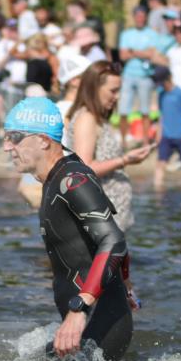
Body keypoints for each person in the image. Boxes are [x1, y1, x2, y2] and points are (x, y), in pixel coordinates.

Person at [1, 97, 137, 361]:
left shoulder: (73, 180)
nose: (6, 147)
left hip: (98, 319)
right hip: (92, 317)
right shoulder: (54, 178)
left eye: (14, 138)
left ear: (42, 140)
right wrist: (125, 283)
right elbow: (109, 237)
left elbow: (113, 240)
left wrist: (79, 310)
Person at [69, 62, 154, 234]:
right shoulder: (87, 118)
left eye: (119, 90)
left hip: (110, 219)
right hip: (101, 218)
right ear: (94, 88)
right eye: (113, 90)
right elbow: (84, 170)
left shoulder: (97, 117)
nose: (117, 96)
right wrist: (125, 160)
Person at [118, 6, 160, 143]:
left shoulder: (152, 34)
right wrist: (143, 53)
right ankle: (123, 141)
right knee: (123, 110)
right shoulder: (126, 34)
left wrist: (133, 52)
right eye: (138, 16)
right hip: (129, 75)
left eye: (142, 16)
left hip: (145, 76)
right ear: (134, 17)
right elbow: (123, 55)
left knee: (145, 111)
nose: (140, 19)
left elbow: (152, 54)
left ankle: (145, 141)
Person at [153, 66, 181, 190]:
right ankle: (158, 188)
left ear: (169, 78)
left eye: (163, 82)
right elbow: (162, 115)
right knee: (161, 162)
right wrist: (158, 133)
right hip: (166, 135)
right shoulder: (161, 94)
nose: (162, 85)